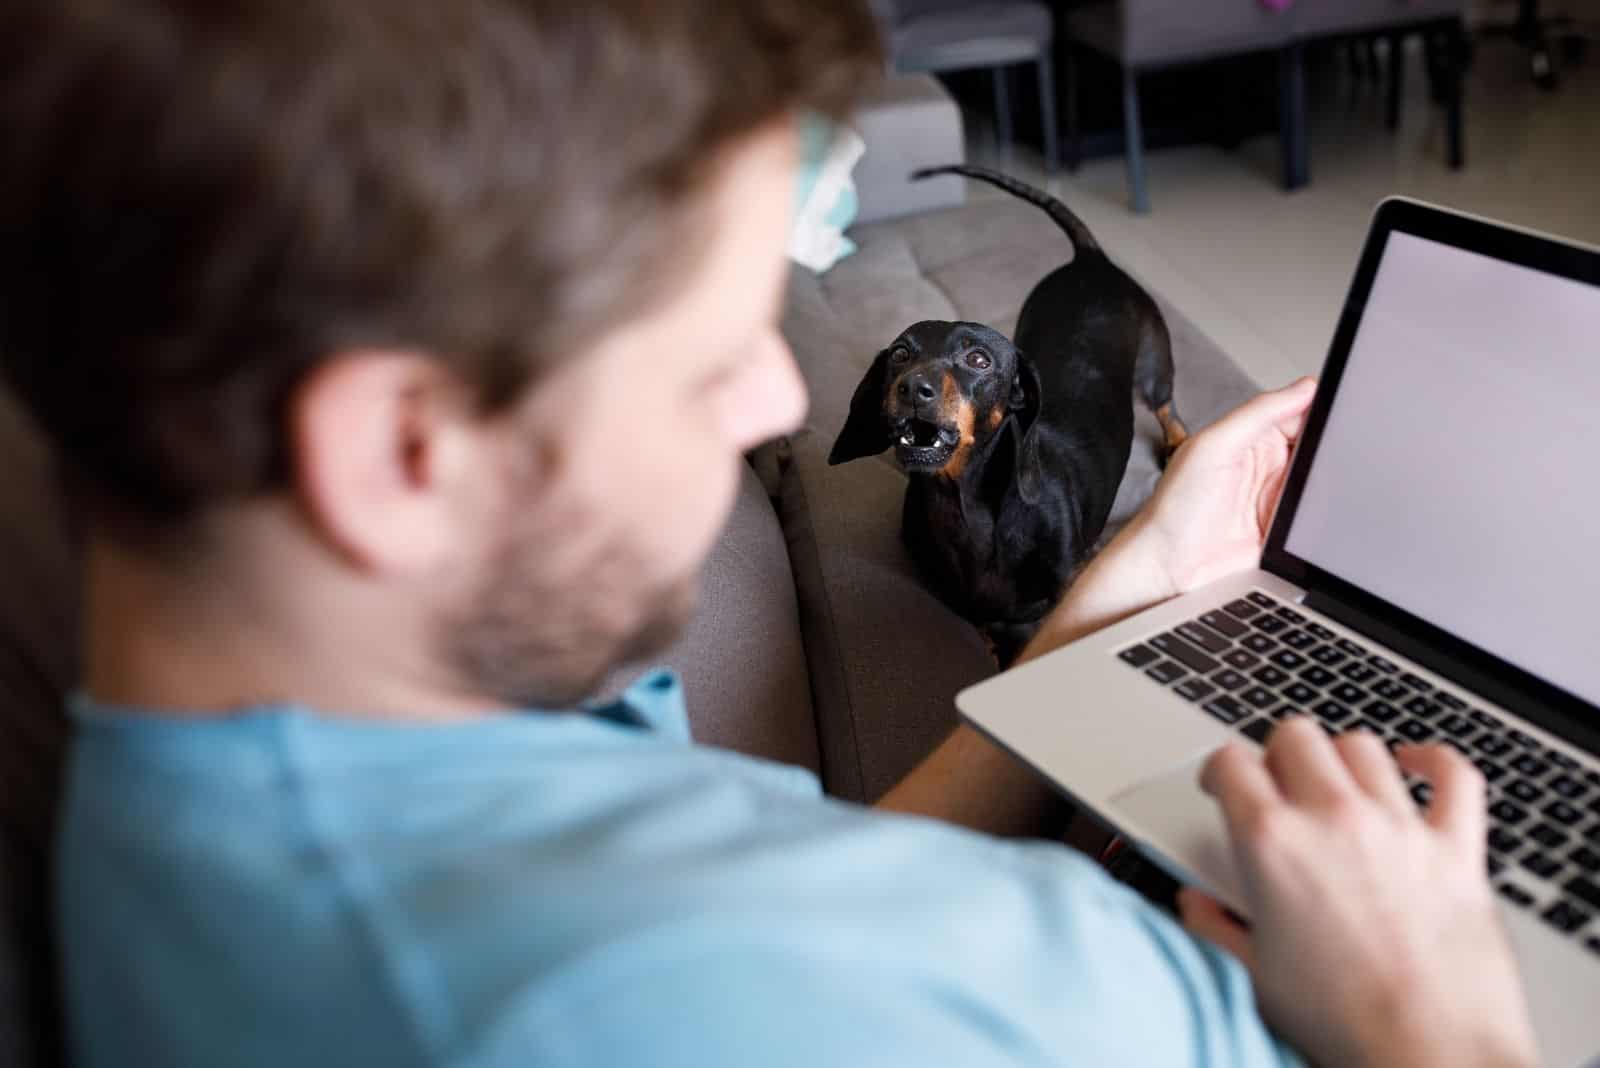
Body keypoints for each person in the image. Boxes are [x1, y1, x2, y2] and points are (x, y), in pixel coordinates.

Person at [0, 1, 1539, 1065]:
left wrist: (1120, 603)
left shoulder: (288, 770)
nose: (767, 404)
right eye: (708, 346)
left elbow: (822, 893)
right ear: (398, 453)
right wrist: (1445, 1028)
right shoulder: (661, 990)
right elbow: (752, 963)